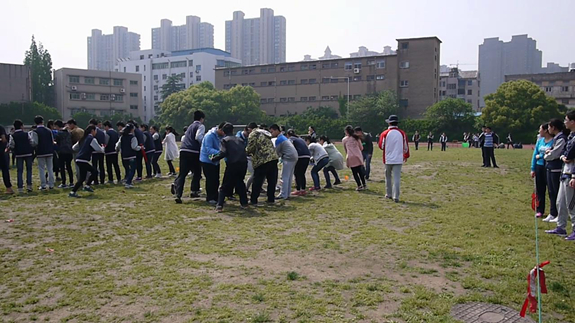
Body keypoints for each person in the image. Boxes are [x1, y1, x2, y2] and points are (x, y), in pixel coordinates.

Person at [546, 111, 575, 240]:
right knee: (560, 202)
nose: (565, 122)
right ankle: (561, 227)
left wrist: (574, 176)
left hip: (571, 175)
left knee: (571, 205)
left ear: (573, 122)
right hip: (565, 173)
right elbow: (564, 154)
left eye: (566, 119)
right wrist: (565, 156)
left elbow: (569, 155)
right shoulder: (570, 136)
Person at [210, 123, 249, 212]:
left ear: (223, 132)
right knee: (240, 183)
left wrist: (214, 158)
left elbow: (223, 152)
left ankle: (219, 205)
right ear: (233, 130)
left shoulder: (225, 140)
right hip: (243, 164)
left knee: (224, 185)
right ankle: (244, 203)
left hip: (233, 164)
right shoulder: (240, 139)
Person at [173, 111, 205, 203]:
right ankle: (194, 190)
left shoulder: (190, 126)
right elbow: (198, 137)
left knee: (182, 174)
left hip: (183, 150)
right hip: (193, 151)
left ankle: (178, 195)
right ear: (202, 118)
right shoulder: (200, 126)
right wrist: (203, 144)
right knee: (197, 172)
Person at [543, 119, 569, 222]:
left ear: (554, 127)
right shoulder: (556, 138)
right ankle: (552, 213)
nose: (548, 129)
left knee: (557, 193)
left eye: (549, 127)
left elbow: (554, 154)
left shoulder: (562, 138)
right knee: (551, 192)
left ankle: (559, 214)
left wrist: (546, 155)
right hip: (550, 168)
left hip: (556, 169)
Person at [379, 115, 410, 202]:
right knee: (397, 178)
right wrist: (406, 155)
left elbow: (381, 146)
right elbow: (406, 147)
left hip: (388, 158)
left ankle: (388, 193)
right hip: (398, 158)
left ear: (389, 123)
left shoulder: (385, 133)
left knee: (388, 177)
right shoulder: (402, 133)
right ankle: (396, 196)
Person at [246, 125, 279, 205]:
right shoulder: (265, 133)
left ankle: (254, 200)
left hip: (262, 160)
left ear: (250, 129)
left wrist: (245, 152)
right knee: (272, 181)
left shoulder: (253, 134)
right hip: (273, 158)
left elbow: (251, 148)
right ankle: (271, 199)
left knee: (257, 181)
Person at [69, 125, 104, 197]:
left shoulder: (83, 138)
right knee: (95, 171)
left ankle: (73, 192)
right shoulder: (91, 139)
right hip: (83, 160)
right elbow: (99, 149)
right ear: (92, 131)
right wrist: (103, 147)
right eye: (95, 131)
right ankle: (86, 186)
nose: (96, 133)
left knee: (82, 178)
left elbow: (74, 148)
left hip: (79, 159)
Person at [531, 123, 554, 218]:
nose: (539, 131)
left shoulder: (554, 141)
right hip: (539, 167)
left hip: (549, 167)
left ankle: (554, 212)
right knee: (540, 190)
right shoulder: (540, 141)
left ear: (545, 130)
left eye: (540, 129)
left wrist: (540, 156)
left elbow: (552, 153)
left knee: (551, 191)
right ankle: (540, 210)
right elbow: (534, 154)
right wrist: (533, 168)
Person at [200, 122, 225, 204]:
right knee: (210, 180)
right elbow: (209, 149)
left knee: (216, 180)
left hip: (215, 161)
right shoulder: (209, 136)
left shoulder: (220, 136)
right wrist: (221, 153)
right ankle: (210, 197)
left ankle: (216, 197)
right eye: (223, 131)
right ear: (220, 129)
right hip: (207, 160)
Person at [270, 124, 298, 199]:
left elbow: (276, 152)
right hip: (294, 156)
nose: (271, 134)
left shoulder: (279, 139)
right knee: (289, 176)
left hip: (288, 157)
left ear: (276, 130)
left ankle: (283, 194)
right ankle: (287, 193)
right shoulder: (284, 137)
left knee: (284, 177)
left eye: (272, 132)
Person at [8, 120, 33, 193]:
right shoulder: (26, 134)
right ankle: (29, 186)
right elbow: (31, 142)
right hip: (28, 153)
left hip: (18, 154)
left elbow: (11, 145)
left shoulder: (12, 135)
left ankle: (20, 188)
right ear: (21, 126)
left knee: (19, 171)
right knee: (29, 169)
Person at [31, 115, 55, 190]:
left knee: (41, 169)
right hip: (49, 151)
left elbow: (34, 142)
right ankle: (51, 184)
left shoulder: (35, 132)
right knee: (50, 168)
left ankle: (43, 184)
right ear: (42, 121)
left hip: (40, 152)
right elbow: (52, 141)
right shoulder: (48, 130)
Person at [115, 123, 141, 189]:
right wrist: (140, 148)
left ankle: (127, 179)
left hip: (124, 155)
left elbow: (118, 145)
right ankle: (128, 182)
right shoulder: (133, 137)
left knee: (127, 169)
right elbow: (134, 147)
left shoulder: (122, 137)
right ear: (132, 130)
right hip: (131, 155)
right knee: (132, 170)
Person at [286, 129, 311, 195]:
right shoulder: (300, 139)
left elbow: (290, 148)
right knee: (302, 174)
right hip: (307, 156)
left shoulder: (291, 139)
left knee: (297, 173)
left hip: (300, 156)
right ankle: (303, 189)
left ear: (288, 135)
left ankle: (298, 189)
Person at [342, 125, 366, 191]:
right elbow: (361, 148)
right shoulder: (356, 138)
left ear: (346, 132)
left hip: (350, 157)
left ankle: (359, 185)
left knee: (354, 172)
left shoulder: (344, 139)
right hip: (358, 156)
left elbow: (345, 149)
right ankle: (364, 184)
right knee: (360, 171)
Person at [237, 123, 257, 192]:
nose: (249, 135)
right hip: (240, 158)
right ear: (245, 130)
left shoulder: (248, 138)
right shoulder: (238, 137)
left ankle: (245, 189)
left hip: (247, 157)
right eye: (248, 133)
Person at [54, 120, 74, 188]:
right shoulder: (69, 132)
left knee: (62, 168)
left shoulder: (59, 133)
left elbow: (56, 142)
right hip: (69, 151)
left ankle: (64, 182)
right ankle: (71, 182)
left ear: (57, 126)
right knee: (69, 167)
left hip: (62, 152)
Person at [88, 119, 106, 184]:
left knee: (94, 166)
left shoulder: (91, 132)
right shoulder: (102, 132)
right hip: (101, 151)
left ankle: (95, 180)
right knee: (101, 166)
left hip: (94, 151)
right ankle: (102, 180)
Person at [0, 123, 14, 194]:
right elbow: (4, 139)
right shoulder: (1, 128)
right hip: (1, 152)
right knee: (5, 170)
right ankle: (9, 188)